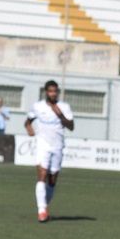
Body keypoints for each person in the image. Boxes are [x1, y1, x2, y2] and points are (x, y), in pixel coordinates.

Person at [24, 80, 75, 222]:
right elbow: (28, 121)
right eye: (50, 91)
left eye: (55, 91)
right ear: (46, 92)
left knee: (52, 180)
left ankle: (44, 206)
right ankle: (41, 211)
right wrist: (29, 129)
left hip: (58, 146)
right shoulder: (38, 106)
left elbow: (71, 127)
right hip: (43, 144)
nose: (53, 94)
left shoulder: (64, 107)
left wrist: (60, 115)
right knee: (42, 174)